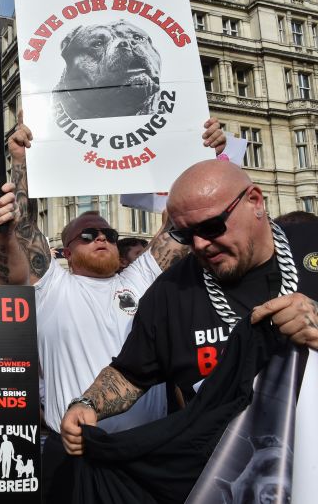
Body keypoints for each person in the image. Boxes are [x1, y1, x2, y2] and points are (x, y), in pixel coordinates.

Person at [0, 113, 226, 502]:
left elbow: (181, 225)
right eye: (88, 234)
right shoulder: (52, 285)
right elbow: (25, 224)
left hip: (148, 455)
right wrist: (21, 160)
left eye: (108, 233)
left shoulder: (143, 277)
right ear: (65, 250)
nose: (101, 237)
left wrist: (206, 155)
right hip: (74, 457)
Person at [60, 160, 318, 458]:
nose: (199, 244)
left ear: (255, 201)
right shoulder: (171, 291)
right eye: (185, 235)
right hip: (226, 474)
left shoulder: (309, 243)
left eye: (211, 226)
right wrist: (88, 405)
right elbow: (130, 373)